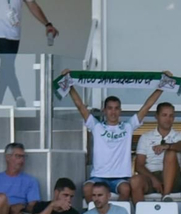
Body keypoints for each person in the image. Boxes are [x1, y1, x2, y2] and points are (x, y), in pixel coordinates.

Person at [61, 70, 170, 200]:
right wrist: (69, 84)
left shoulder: (128, 126)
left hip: (120, 177)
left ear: (120, 110)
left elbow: (147, 106)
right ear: (104, 110)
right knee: (87, 189)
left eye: (116, 108)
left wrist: (162, 86)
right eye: (110, 108)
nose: (113, 111)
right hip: (98, 176)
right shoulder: (97, 127)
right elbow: (80, 106)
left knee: (125, 189)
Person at [0, 0, 56, 105]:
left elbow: (32, 4)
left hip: (14, 34)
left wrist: (47, 24)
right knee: (7, 65)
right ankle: (18, 95)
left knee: (6, 67)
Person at [132, 102, 181, 203]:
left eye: (171, 116)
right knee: (135, 181)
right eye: (164, 115)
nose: (168, 119)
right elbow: (138, 166)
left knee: (170, 153)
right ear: (156, 116)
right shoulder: (145, 137)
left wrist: (167, 146)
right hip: (150, 176)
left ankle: (166, 196)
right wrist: (153, 179)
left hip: (173, 178)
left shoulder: (179, 135)